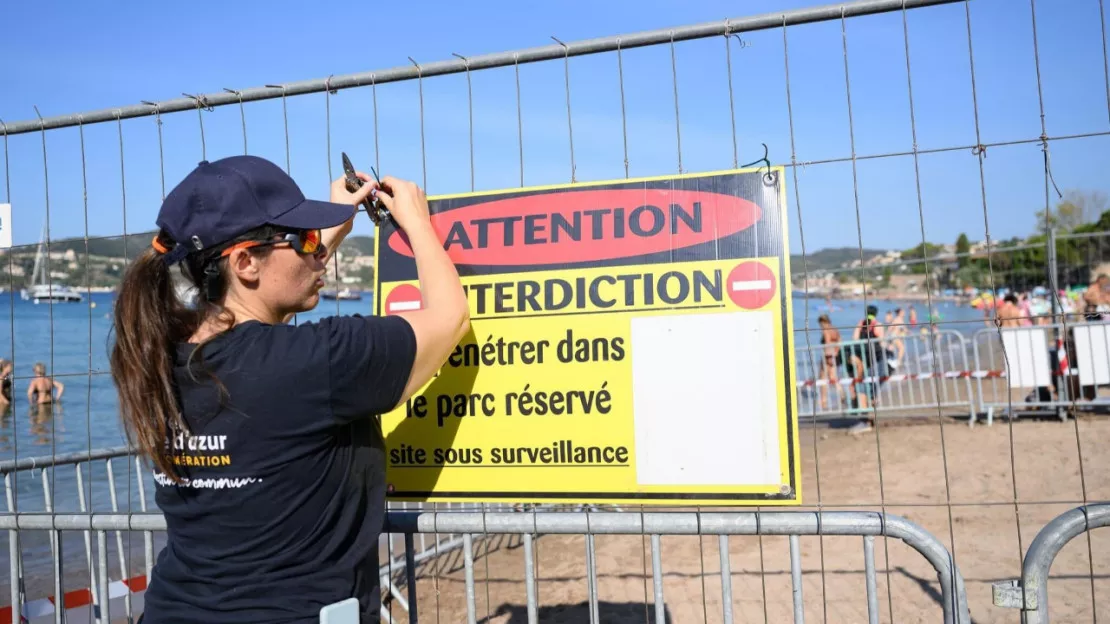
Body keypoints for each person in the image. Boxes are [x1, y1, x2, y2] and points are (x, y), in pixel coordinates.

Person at [108, 155, 469, 623]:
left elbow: (256, 331)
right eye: (301, 240)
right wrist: (417, 223)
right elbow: (449, 318)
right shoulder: (316, 362)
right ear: (243, 261)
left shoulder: (158, 355)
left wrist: (318, 235)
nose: (317, 253)